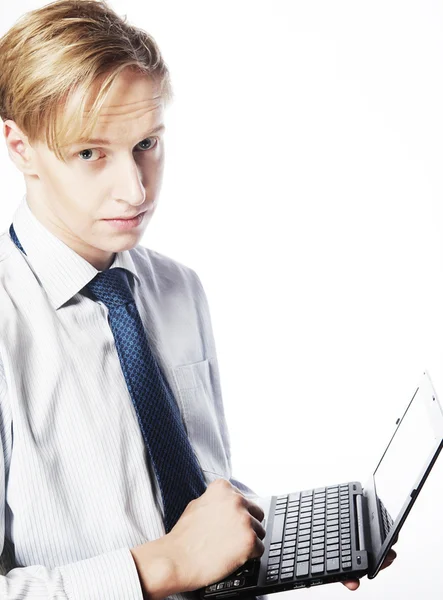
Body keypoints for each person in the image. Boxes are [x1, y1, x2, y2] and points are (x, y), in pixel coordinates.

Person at [0, 1, 396, 598]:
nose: (135, 188)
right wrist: (169, 565)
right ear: (20, 145)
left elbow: (192, 490)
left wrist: (284, 539)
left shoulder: (176, 289)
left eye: (147, 144)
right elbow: (178, 552)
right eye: (90, 153)